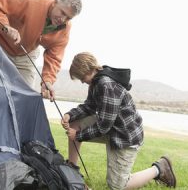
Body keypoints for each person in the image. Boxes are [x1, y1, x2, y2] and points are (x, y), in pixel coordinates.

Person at [61, 52, 177, 189]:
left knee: (118, 186)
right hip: (112, 129)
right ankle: (72, 170)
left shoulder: (106, 84)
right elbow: (90, 106)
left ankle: (159, 168)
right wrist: (70, 115)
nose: (82, 81)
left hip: (125, 137)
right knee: (75, 123)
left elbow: (104, 126)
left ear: (90, 68)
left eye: (82, 77)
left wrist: (78, 135)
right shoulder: (96, 81)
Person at [0, 0, 82, 100]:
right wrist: (5, 26)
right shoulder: (29, 1)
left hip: (26, 54)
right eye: (62, 13)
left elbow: (54, 56)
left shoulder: (65, 28)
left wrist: (47, 81)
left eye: (68, 18)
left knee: (24, 96)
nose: (63, 19)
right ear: (55, 3)